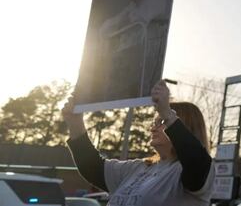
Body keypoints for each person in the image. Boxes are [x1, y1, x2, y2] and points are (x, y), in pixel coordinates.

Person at [62, 80, 213, 205]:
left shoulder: (192, 171)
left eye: (161, 122)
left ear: (185, 127)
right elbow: (93, 168)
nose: (153, 127)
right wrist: (75, 123)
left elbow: (196, 160)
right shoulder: (139, 168)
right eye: (154, 122)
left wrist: (167, 113)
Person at [99, 0, 168, 99]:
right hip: (130, 62)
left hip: (149, 63)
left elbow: (140, 18)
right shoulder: (132, 5)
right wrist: (119, 22)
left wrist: (124, 21)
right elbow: (105, 29)